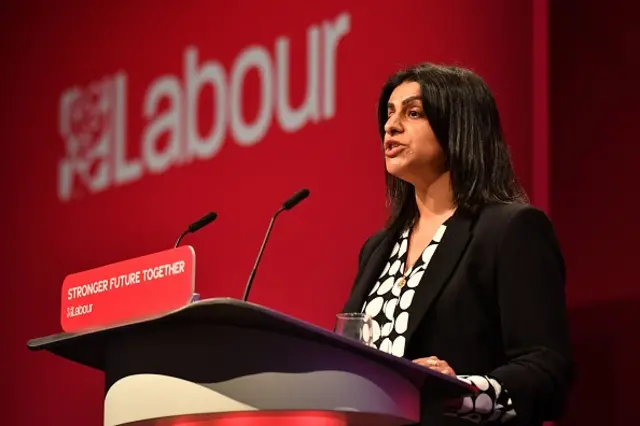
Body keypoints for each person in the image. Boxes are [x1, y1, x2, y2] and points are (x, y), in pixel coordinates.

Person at [341, 63, 574, 425]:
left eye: (413, 113)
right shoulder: (377, 248)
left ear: (458, 126)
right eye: (389, 114)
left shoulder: (510, 230)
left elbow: (546, 371)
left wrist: (459, 392)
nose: (391, 126)